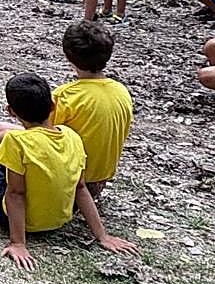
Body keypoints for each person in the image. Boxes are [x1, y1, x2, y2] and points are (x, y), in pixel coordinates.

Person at [0, 73, 138, 271]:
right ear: (52, 106)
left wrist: (18, 242)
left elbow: (15, 194)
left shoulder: (16, 140)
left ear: (11, 111)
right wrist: (102, 235)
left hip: (12, 215)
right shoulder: (72, 136)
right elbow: (80, 188)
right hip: (59, 220)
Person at [20, 22, 132, 199]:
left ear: (68, 57)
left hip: (70, 181)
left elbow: (40, 136)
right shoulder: (121, 91)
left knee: (1, 131)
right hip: (99, 181)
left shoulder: (65, 96)